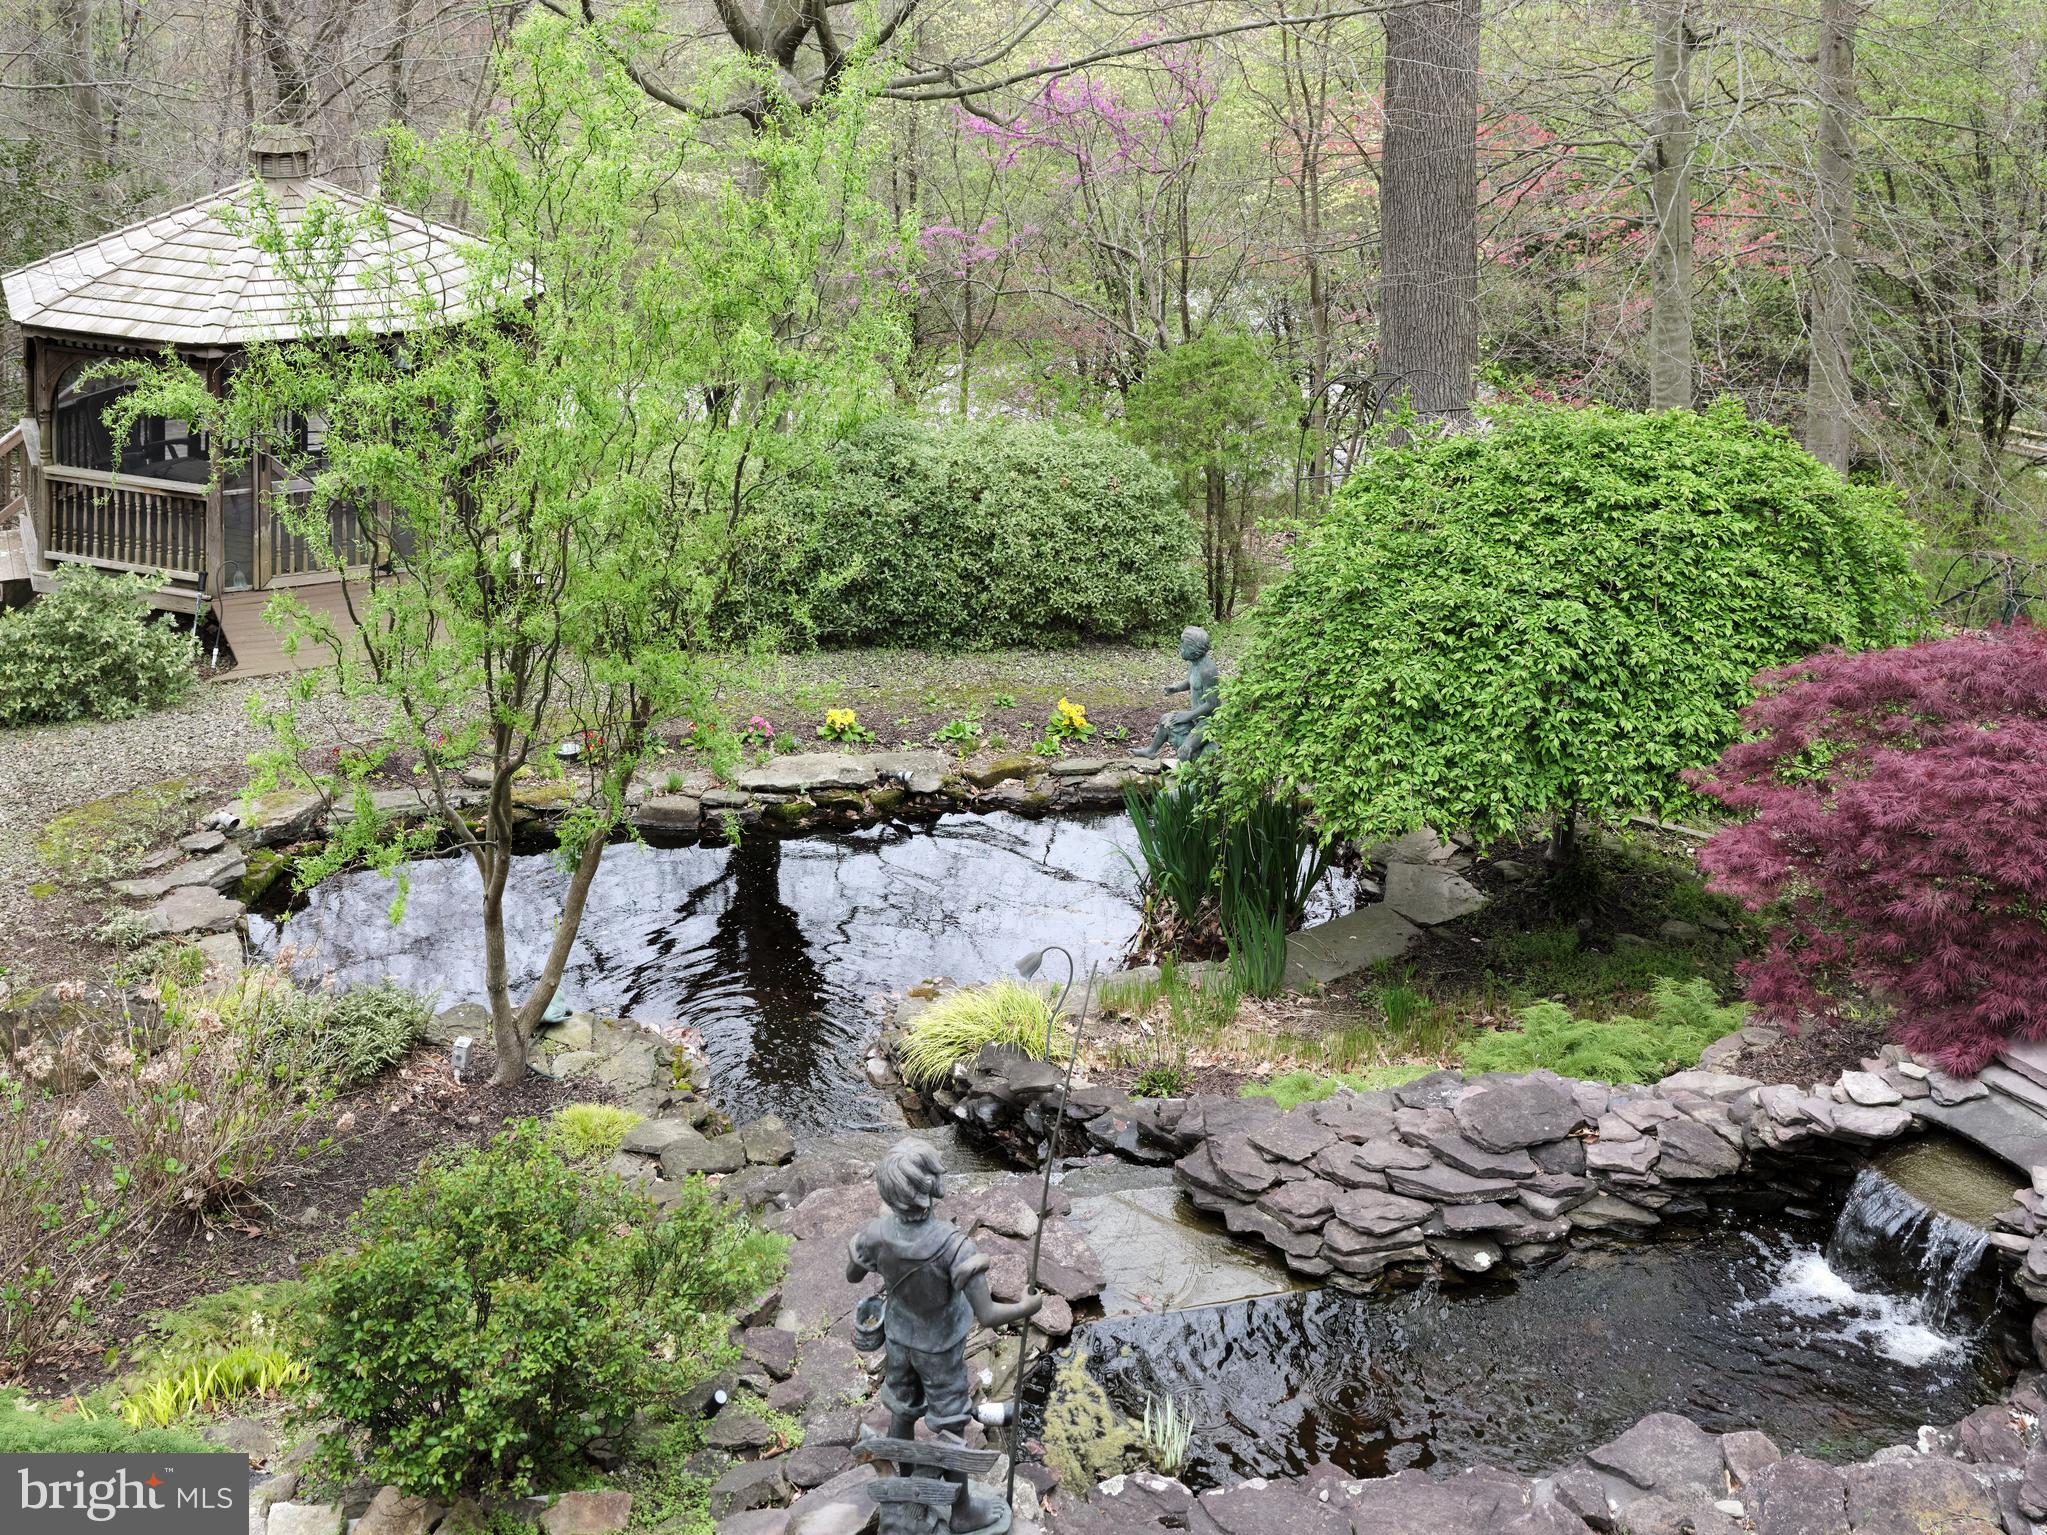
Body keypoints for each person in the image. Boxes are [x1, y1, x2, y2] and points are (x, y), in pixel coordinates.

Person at [847, 1139, 1041, 1532]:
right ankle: (964, 1511)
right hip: (940, 1348)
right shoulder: (956, 1247)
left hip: (899, 1339)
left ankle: (902, 1486)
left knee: (901, 1409)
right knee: (951, 1424)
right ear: (931, 1189)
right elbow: (987, 1315)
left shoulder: (875, 1234)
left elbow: (853, 1273)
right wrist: (1025, 1307)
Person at [1133, 625, 1220, 761]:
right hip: (1195, 716)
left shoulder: (1208, 671)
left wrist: (1187, 716)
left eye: (1183, 645)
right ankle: (1151, 750)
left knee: (1185, 750)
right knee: (1164, 720)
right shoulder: (1195, 664)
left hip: (1207, 722)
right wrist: (1176, 688)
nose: (1180, 648)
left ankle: (1189, 778)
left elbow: (1212, 704)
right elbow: (1193, 683)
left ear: (1194, 649)